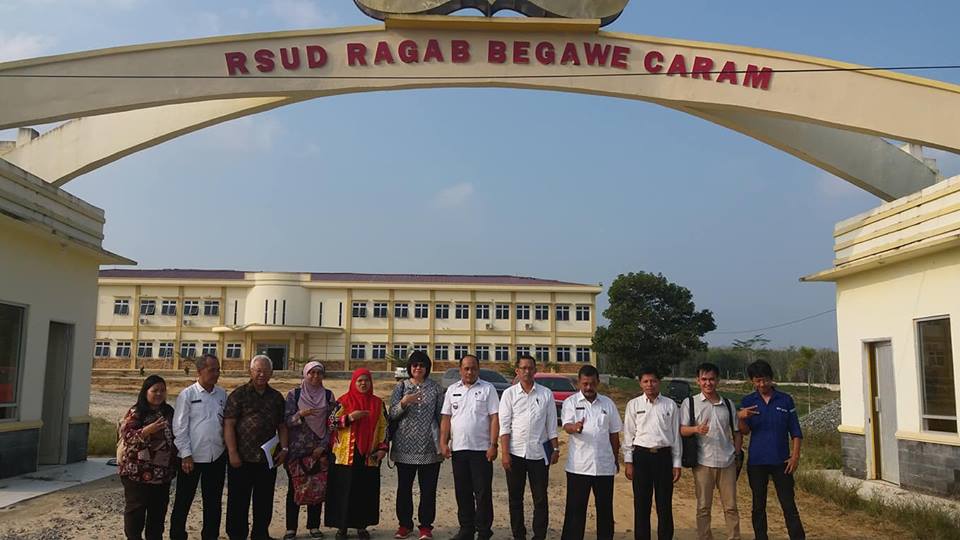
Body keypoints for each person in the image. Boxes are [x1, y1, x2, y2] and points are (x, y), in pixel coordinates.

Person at [738, 360, 805, 540]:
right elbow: (744, 431)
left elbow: (796, 431)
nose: (762, 384)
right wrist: (741, 418)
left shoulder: (785, 400)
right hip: (757, 462)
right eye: (758, 381)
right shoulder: (748, 401)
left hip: (782, 462)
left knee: (788, 504)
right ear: (752, 381)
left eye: (765, 380)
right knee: (758, 505)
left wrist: (795, 456)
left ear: (771, 378)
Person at [224, 355, 289, 540]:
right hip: (242, 458)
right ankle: (237, 535)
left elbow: (282, 426)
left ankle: (260, 534)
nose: (262, 374)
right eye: (258, 370)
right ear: (250, 372)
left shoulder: (276, 397)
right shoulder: (239, 394)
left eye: (266, 371)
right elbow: (229, 424)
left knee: (264, 500)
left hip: (267, 458)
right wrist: (232, 452)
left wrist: (284, 449)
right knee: (238, 500)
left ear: (271, 373)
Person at [439, 354, 500, 540]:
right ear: (460, 370)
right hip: (459, 449)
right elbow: (446, 418)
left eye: (473, 368)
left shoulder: (488, 389)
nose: (469, 372)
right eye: (466, 368)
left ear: (478, 369)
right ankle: (466, 529)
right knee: (462, 492)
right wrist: (443, 442)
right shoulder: (452, 390)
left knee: (482, 493)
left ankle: (484, 531)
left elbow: (494, 418)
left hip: (481, 450)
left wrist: (493, 445)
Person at [498, 355, 558, 540]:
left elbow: (551, 426)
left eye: (530, 368)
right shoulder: (509, 394)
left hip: (539, 454)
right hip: (515, 453)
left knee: (540, 498)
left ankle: (539, 535)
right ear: (517, 371)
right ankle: (519, 535)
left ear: (535, 370)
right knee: (515, 498)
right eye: (523, 368)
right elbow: (504, 426)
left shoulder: (546, 394)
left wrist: (555, 449)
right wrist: (505, 453)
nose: (527, 371)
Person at [680, 363, 742, 540]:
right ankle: (705, 536)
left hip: (727, 462)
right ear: (698, 381)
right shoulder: (690, 403)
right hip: (702, 462)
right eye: (704, 379)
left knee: (731, 506)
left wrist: (737, 454)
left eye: (712, 379)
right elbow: (681, 430)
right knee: (703, 507)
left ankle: (734, 537)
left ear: (718, 380)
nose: (708, 383)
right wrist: (696, 429)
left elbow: (737, 433)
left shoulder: (728, 404)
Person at [559, 364, 622, 540]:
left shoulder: (608, 404)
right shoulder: (571, 402)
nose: (588, 387)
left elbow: (614, 434)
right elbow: (567, 426)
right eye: (585, 383)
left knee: (605, 511)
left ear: (598, 382)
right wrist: (575, 427)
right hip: (579, 467)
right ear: (579, 382)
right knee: (575, 511)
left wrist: (615, 459)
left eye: (592, 384)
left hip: (604, 467)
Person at [325, 368, 389, 540]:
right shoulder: (343, 401)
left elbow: (384, 426)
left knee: (365, 491)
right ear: (353, 382)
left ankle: (362, 526)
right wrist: (350, 418)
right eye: (359, 380)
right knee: (343, 491)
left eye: (366, 380)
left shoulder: (378, 403)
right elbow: (330, 423)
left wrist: (383, 448)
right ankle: (342, 527)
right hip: (345, 456)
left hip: (369, 455)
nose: (363, 383)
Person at [388, 351, 445, 540]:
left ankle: (426, 527)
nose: (418, 368)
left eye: (422, 365)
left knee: (428, 490)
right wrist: (404, 402)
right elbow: (392, 414)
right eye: (415, 365)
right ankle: (404, 525)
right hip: (404, 446)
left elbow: (441, 416)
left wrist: (444, 441)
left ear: (427, 368)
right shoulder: (401, 387)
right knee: (404, 489)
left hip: (429, 447)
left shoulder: (436, 388)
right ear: (409, 367)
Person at [170, 354, 227, 540]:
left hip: (216, 456)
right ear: (199, 371)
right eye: (212, 370)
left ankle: (210, 536)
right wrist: (186, 454)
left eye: (218, 370)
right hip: (191, 458)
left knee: (213, 502)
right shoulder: (187, 394)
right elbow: (179, 427)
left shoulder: (222, 394)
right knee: (183, 500)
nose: (216, 374)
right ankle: (177, 535)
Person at [622, 367, 681, 540]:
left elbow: (675, 436)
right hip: (641, 457)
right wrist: (628, 462)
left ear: (659, 382)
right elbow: (628, 435)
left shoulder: (670, 405)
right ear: (640, 383)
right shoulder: (634, 405)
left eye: (653, 381)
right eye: (646, 381)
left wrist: (676, 463)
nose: (650, 385)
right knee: (641, 504)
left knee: (664, 504)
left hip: (664, 457)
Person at [118, 374, 177, 540]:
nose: (159, 394)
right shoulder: (136, 412)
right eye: (155, 390)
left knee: (157, 514)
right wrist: (147, 430)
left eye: (162, 390)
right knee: (136, 512)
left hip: (161, 474)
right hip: (137, 472)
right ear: (146, 392)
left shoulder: (168, 412)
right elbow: (127, 436)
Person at [283, 361, 335, 540]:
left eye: (319, 373)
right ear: (305, 374)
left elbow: (332, 424)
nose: (315, 376)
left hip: (318, 451)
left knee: (317, 488)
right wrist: (300, 415)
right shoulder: (294, 395)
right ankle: (291, 528)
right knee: (294, 489)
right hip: (296, 452)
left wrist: (323, 446)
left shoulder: (328, 395)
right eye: (311, 373)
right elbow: (286, 421)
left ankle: (314, 526)